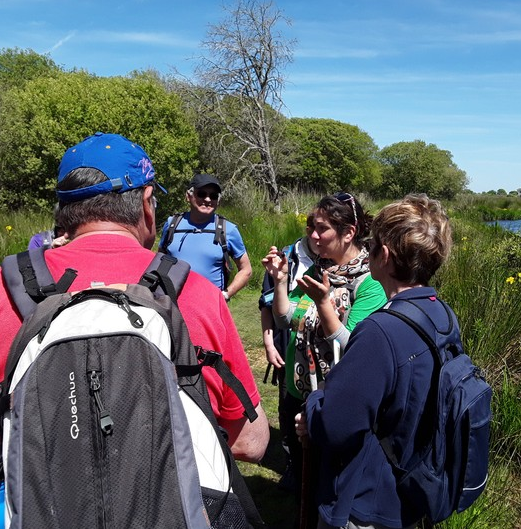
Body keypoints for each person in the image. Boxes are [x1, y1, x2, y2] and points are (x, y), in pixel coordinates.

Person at [0, 132, 269, 464]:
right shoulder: (198, 294)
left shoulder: (6, 289)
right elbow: (250, 443)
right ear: (147, 201)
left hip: (38, 511)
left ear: (63, 210)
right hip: (168, 511)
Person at [295, 194, 455, 529]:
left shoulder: (379, 330)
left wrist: (314, 404)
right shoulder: (442, 315)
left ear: (382, 255)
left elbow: (334, 428)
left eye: (373, 246)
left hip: (368, 501)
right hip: (414, 490)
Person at [262, 193, 387, 525]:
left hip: (334, 400)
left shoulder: (370, 281)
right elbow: (286, 318)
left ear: (349, 232)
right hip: (298, 389)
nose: (312, 236)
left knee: (329, 489)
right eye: (310, 227)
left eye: (322, 229)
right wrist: (281, 280)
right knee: (305, 481)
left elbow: (354, 348)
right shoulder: (321, 269)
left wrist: (323, 304)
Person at [259, 213, 319, 491]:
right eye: (313, 228)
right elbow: (266, 303)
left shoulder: (338, 260)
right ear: (307, 229)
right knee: (288, 406)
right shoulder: (287, 257)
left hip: (319, 351)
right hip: (287, 345)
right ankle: (293, 466)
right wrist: (269, 344)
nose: (317, 236)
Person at [159, 173, 252, 301]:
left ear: (218, 201)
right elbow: (160, 259)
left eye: (213, 196)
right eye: (202, 194)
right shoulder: (172, 224)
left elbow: (246, 269)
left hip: (209, 306)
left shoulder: (228, 230)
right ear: (188, 196)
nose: (208, 199)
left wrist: (225, 295)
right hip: (171, 303)